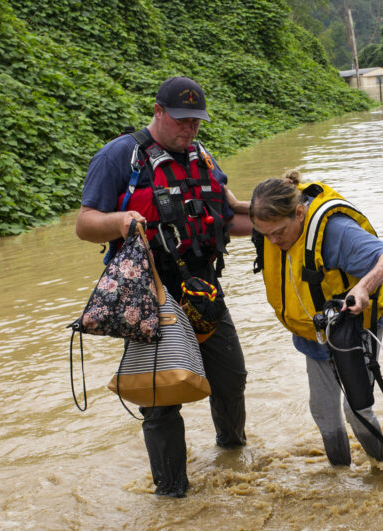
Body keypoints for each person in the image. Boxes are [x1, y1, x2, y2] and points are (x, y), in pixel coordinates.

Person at [76, 76, 252, 498]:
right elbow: (84, 222)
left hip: (202, 290)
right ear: (158, 112)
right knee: (159, 399)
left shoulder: (202, 157)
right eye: (181, 120)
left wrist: (282, 222)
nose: (189, 129)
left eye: (196, 122)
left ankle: (233, 455)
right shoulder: (122, 156)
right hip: (150, 295)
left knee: (231, 378)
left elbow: (229, 217)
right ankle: (172, 495)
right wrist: (119, 222)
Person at [249, 171, 383, 466]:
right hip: (314, 331)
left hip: (352, 328)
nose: (273, 240)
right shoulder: (270, 226)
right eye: (266, 234)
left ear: (299, 212)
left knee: (356, 411)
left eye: (278, 232)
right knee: (322, 410)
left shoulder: (335, 231)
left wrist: (363, 287)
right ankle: (339, 474)